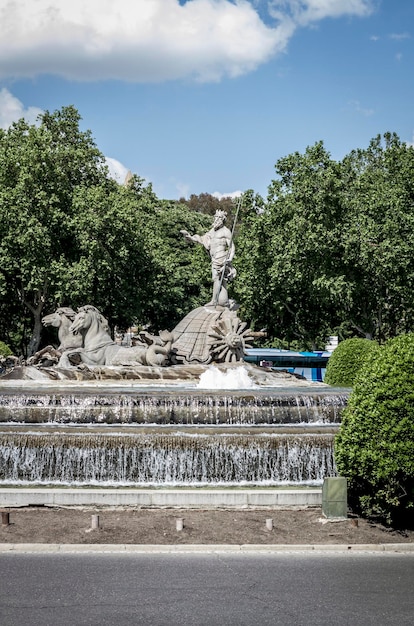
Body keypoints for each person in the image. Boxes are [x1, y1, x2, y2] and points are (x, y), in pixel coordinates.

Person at [181, 210, 236, 306]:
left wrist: (230, 258)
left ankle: (214, 301)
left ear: (222, 220)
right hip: (214, 259)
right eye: (215, 217)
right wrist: (190, 237)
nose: (216, 219)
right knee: (220, 280)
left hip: (221, 258)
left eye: (218, 218)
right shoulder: (212, 231)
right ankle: (223, 301)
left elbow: (232, 246)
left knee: (217, 278)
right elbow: (202, 238)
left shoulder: (226, 231)